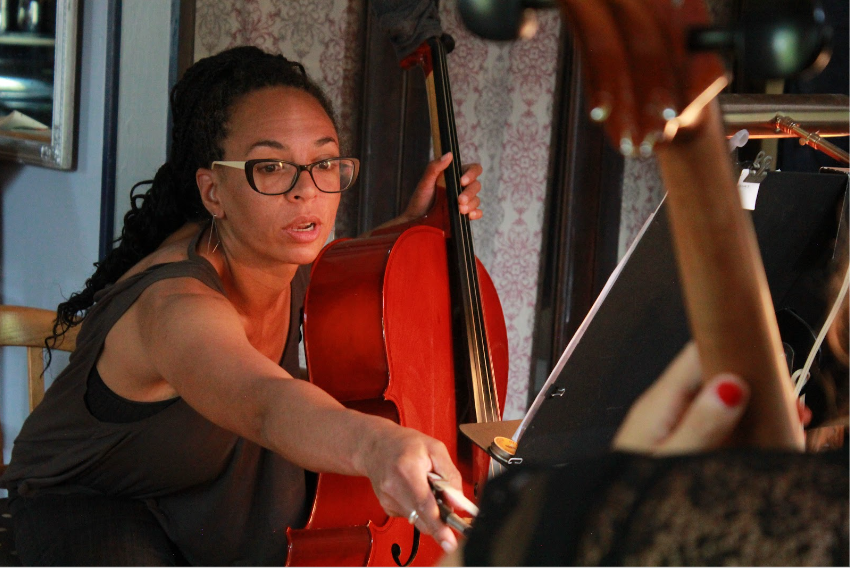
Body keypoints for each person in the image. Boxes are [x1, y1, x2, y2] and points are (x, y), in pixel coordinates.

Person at [0, 45, 485, 565]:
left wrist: (409, 229)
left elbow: (341, 275)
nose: (306, 193)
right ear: (213, 192)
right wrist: (378, 447)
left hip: (197, 500)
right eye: (272, 167)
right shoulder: (174, 305)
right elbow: (265, 403)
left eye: (324, 162)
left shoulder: (278, 248)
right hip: (90, 512)